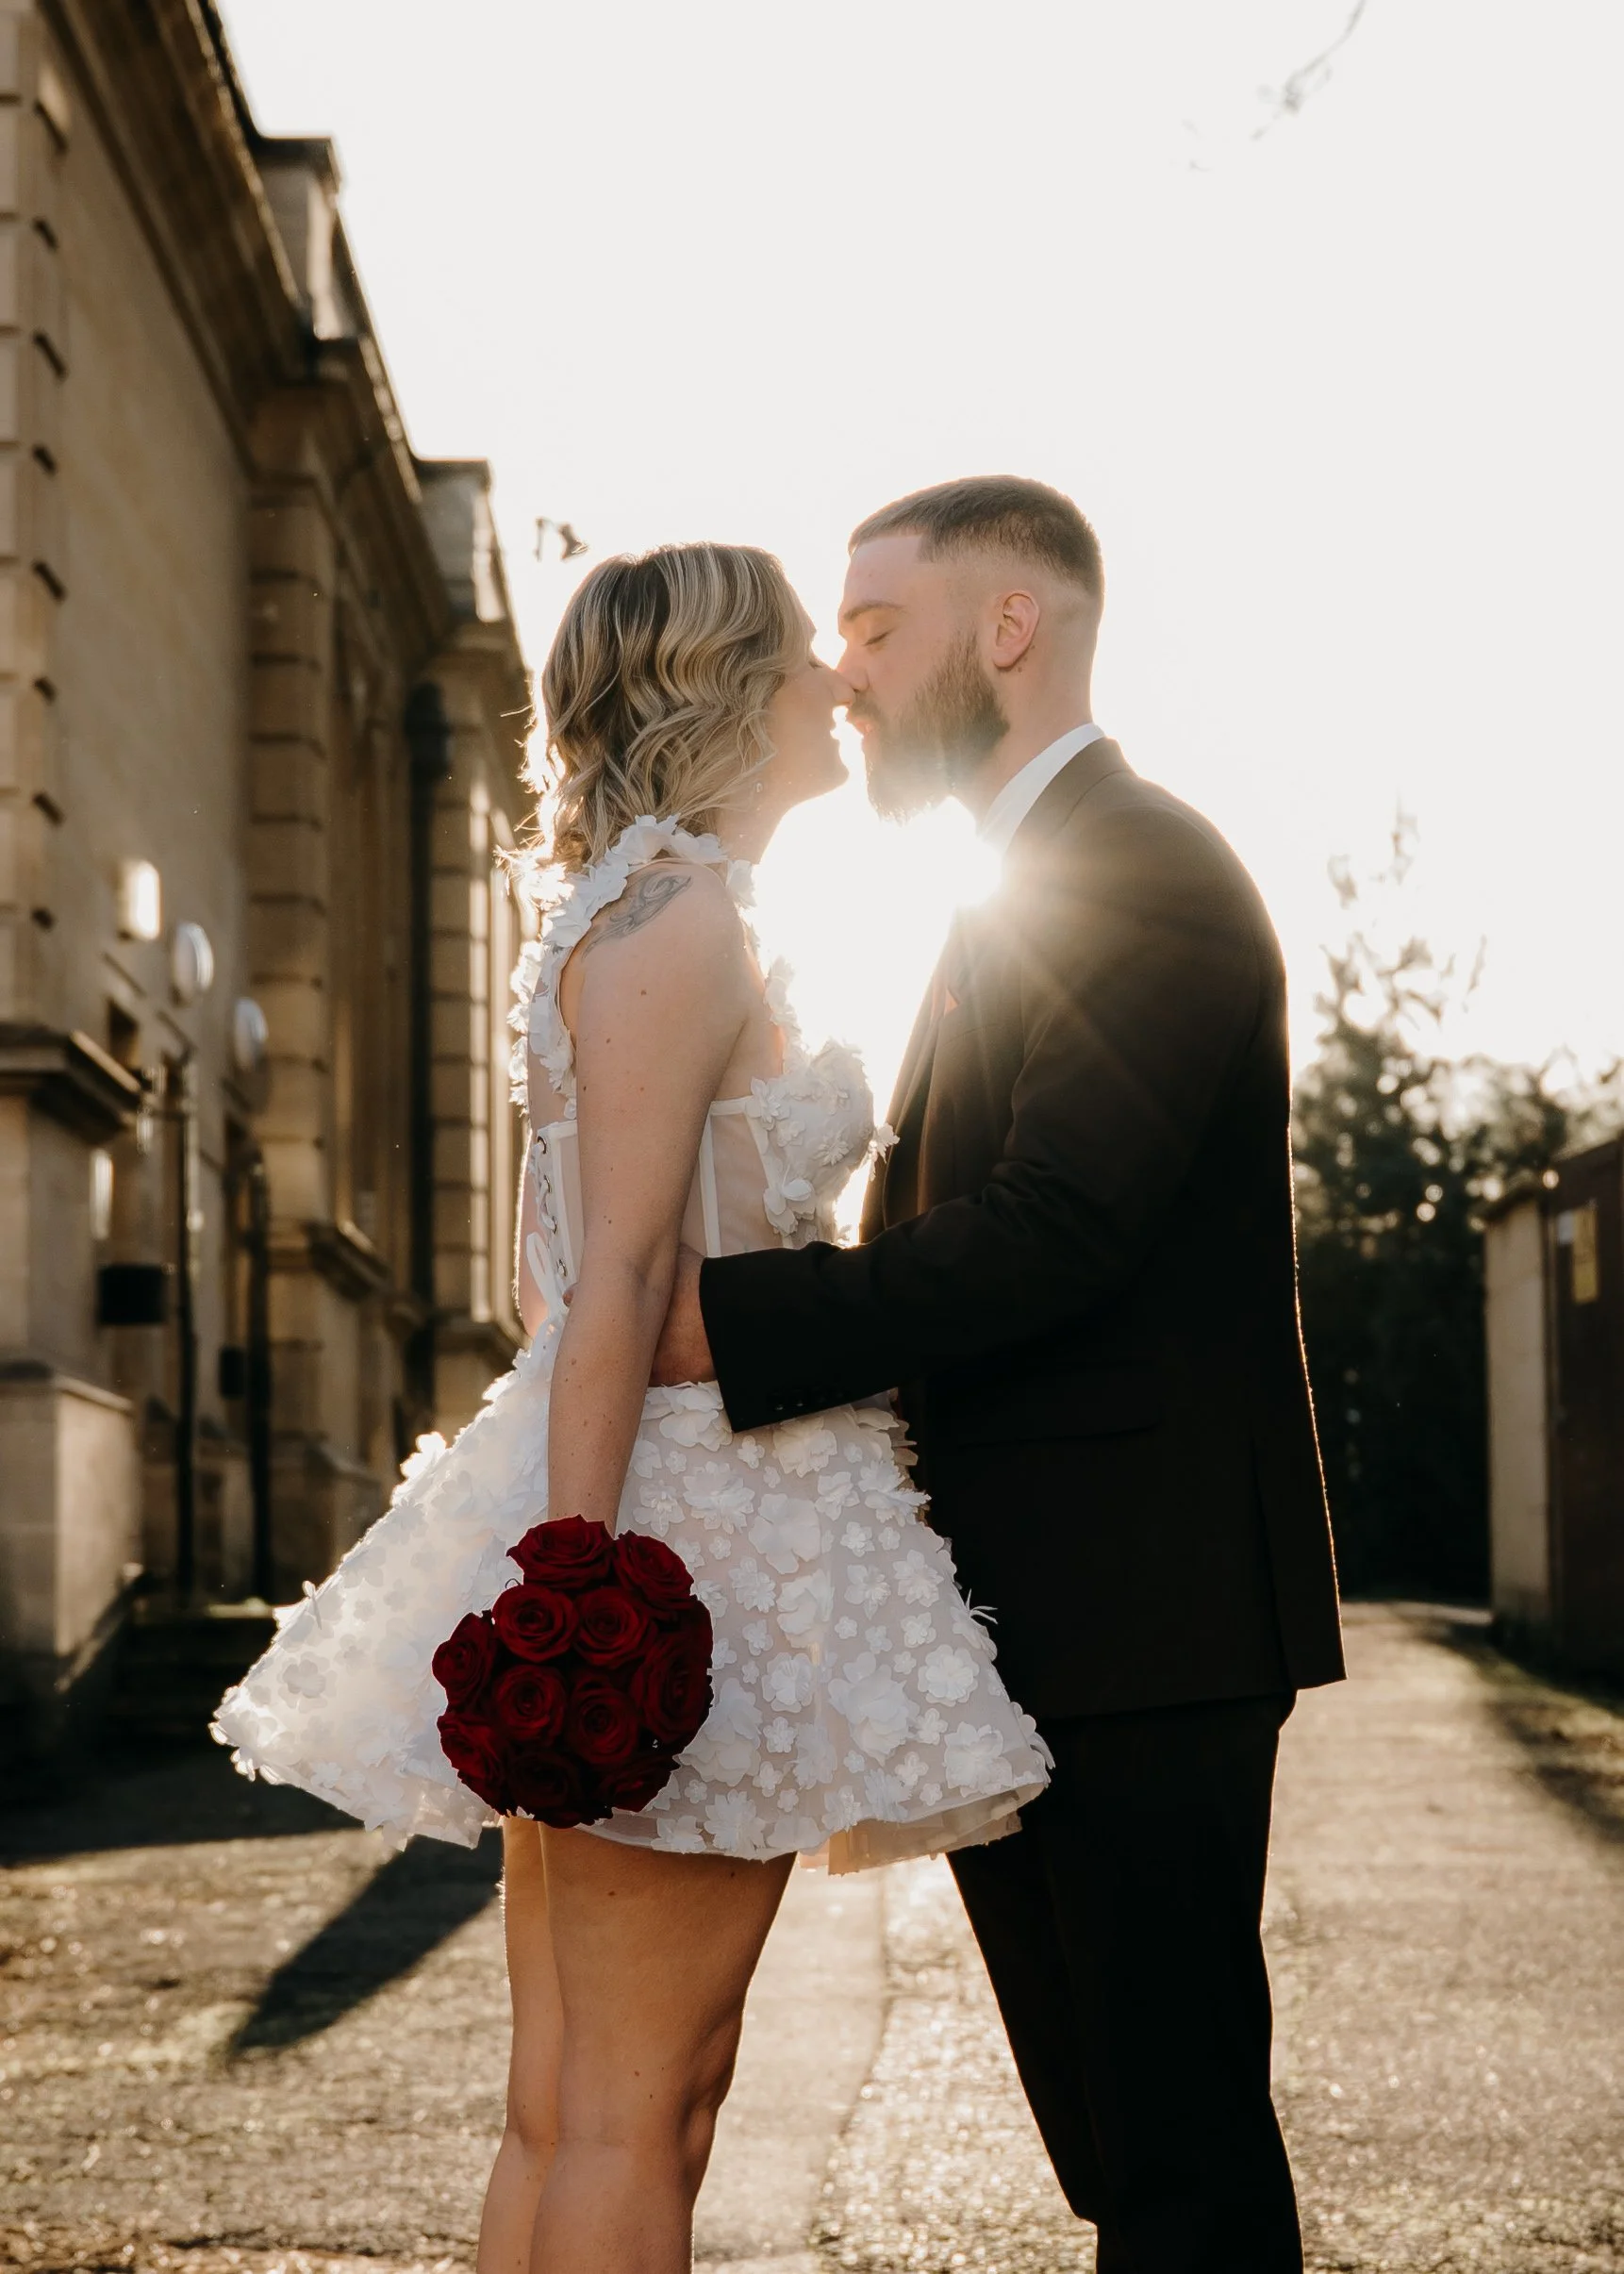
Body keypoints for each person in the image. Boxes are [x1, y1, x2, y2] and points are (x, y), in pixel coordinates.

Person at [212, 539, 1050, 2274]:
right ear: (727, 688)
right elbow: (607, 1288)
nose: (840, 675)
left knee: (584, 2100)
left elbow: (571, 1270)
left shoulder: (633, 905)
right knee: (633, 2107)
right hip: (696, 1526)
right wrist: (579, 1589)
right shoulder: (678, 919)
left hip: (682, 1492)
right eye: (806, 650)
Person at [652, 476, 1346, 2274]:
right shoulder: (1014, 880)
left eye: (877, 626)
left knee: (1178, 2154)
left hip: (1148, 1612)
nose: (844, 670)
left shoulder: (1139, 865)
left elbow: (1056, 1231)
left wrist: (723, 1321)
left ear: (1008, 627)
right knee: (1126, 2162)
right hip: (1043, 1618)